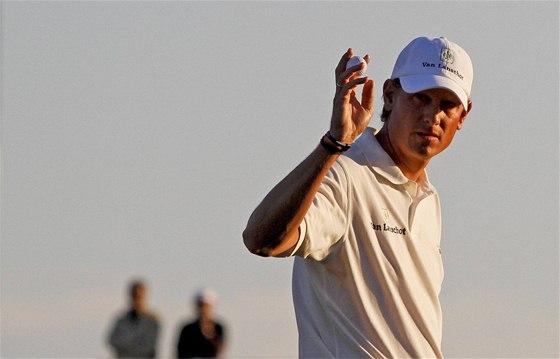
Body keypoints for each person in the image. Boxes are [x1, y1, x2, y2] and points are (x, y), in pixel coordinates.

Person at [243, 36, 473, 358]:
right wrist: (334, 144)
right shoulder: (347, 174)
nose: (432, 115)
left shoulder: (428, 198)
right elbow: (261, 239)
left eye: (447, 104)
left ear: (463, 116)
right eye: (421, 98)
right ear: (390, 96)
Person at [107, 279, 160, 358]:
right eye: (134, 295)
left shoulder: (152, 320)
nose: (136, 298)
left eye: (139, 296)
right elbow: (112, 340)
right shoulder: (121, 320)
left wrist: (127, 345)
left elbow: (149, 346)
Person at [176, 289, 226, 358]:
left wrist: (209, 332)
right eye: (201, 306)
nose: (204, 310)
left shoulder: (218, 327)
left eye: (206, 307)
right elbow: (180, 352)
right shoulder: (187, 329)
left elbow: (220, 350)